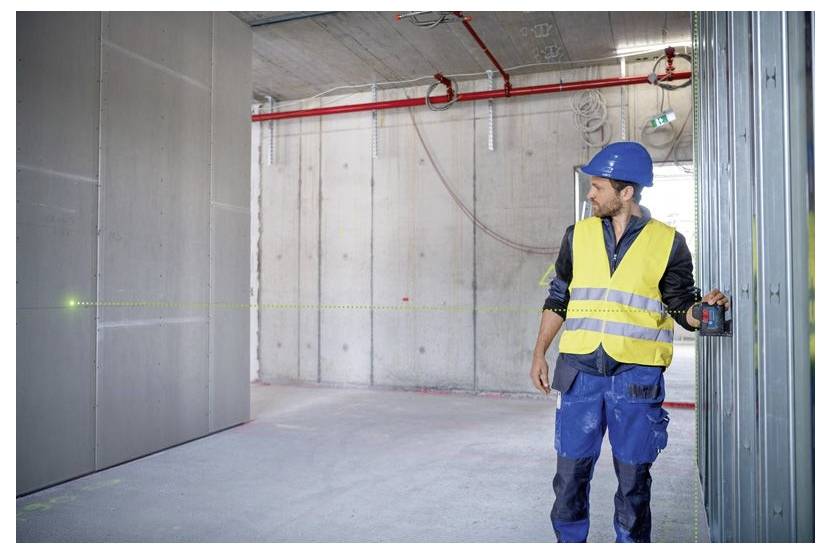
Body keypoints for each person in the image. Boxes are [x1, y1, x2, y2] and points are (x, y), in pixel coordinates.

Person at [529, 141, 729, 543]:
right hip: (579, 376)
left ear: (626, 193)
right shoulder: (577, 236)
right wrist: (539, 353)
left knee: (634, 483)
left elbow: (680, 307)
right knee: (568, 479)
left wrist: (702, 308)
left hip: (635, 380)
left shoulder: (668, 243)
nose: (590, 194)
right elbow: (558, 300)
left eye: (597, 187)